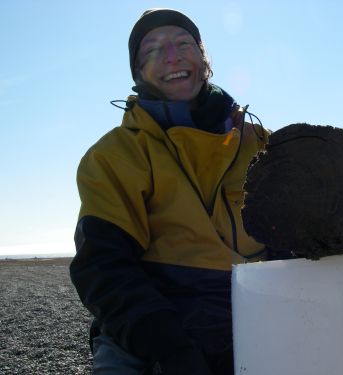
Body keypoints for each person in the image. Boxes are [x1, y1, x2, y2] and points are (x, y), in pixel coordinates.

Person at [70, 8, 289, 375]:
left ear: (204, 59)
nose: (171, 56)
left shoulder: (261, 144)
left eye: (183, 43)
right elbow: (103, 266)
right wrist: (166, 345)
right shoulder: (114, 155)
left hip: (257, 311)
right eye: (152, 49)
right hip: (157, 320)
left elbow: (295, 240)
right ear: (139, 73)